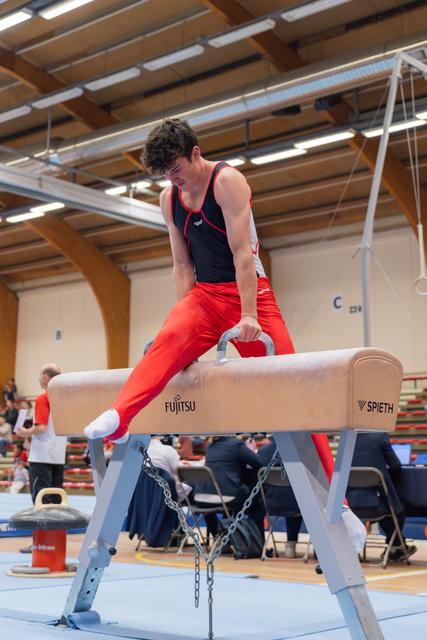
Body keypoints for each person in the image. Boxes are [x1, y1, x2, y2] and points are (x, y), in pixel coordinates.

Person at [83, 119, 364, 549]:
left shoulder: (227, 181)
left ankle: (339, 507)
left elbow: (241, 253)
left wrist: (249, 315)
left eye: (174, 167)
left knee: (294, 389)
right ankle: (120, 417)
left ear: (195, 153)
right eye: (163, 173)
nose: (170, 178)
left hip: (251, 294)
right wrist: (186, 326)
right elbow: (182, 265)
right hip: (206, 297)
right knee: (166, 341)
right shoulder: (168, 199)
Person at [349, 432, 417, 562]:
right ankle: (396, 547)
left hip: (352, 506)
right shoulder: (380, 436)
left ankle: (396, 548)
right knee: (396, 509)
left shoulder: (351, 438)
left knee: (387, 507)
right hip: (376, 506)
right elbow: (396, 466)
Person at [17, 363, 67, 505]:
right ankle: (57, 528)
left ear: (45, 377)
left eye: (40, 376)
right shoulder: (65, 399)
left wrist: (25, 432)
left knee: (42, 501)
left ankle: (44, 528)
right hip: (58, 456)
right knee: (57, 501)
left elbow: (41, 428)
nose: (38, 379)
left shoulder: (43, 398)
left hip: (41, 456)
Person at [258, 438, 303, 559]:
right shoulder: (302, 449)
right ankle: (292, 545)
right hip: (296, 504)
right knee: (296, 500)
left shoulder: (262, 451)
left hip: (270, 504)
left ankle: (259, 544)